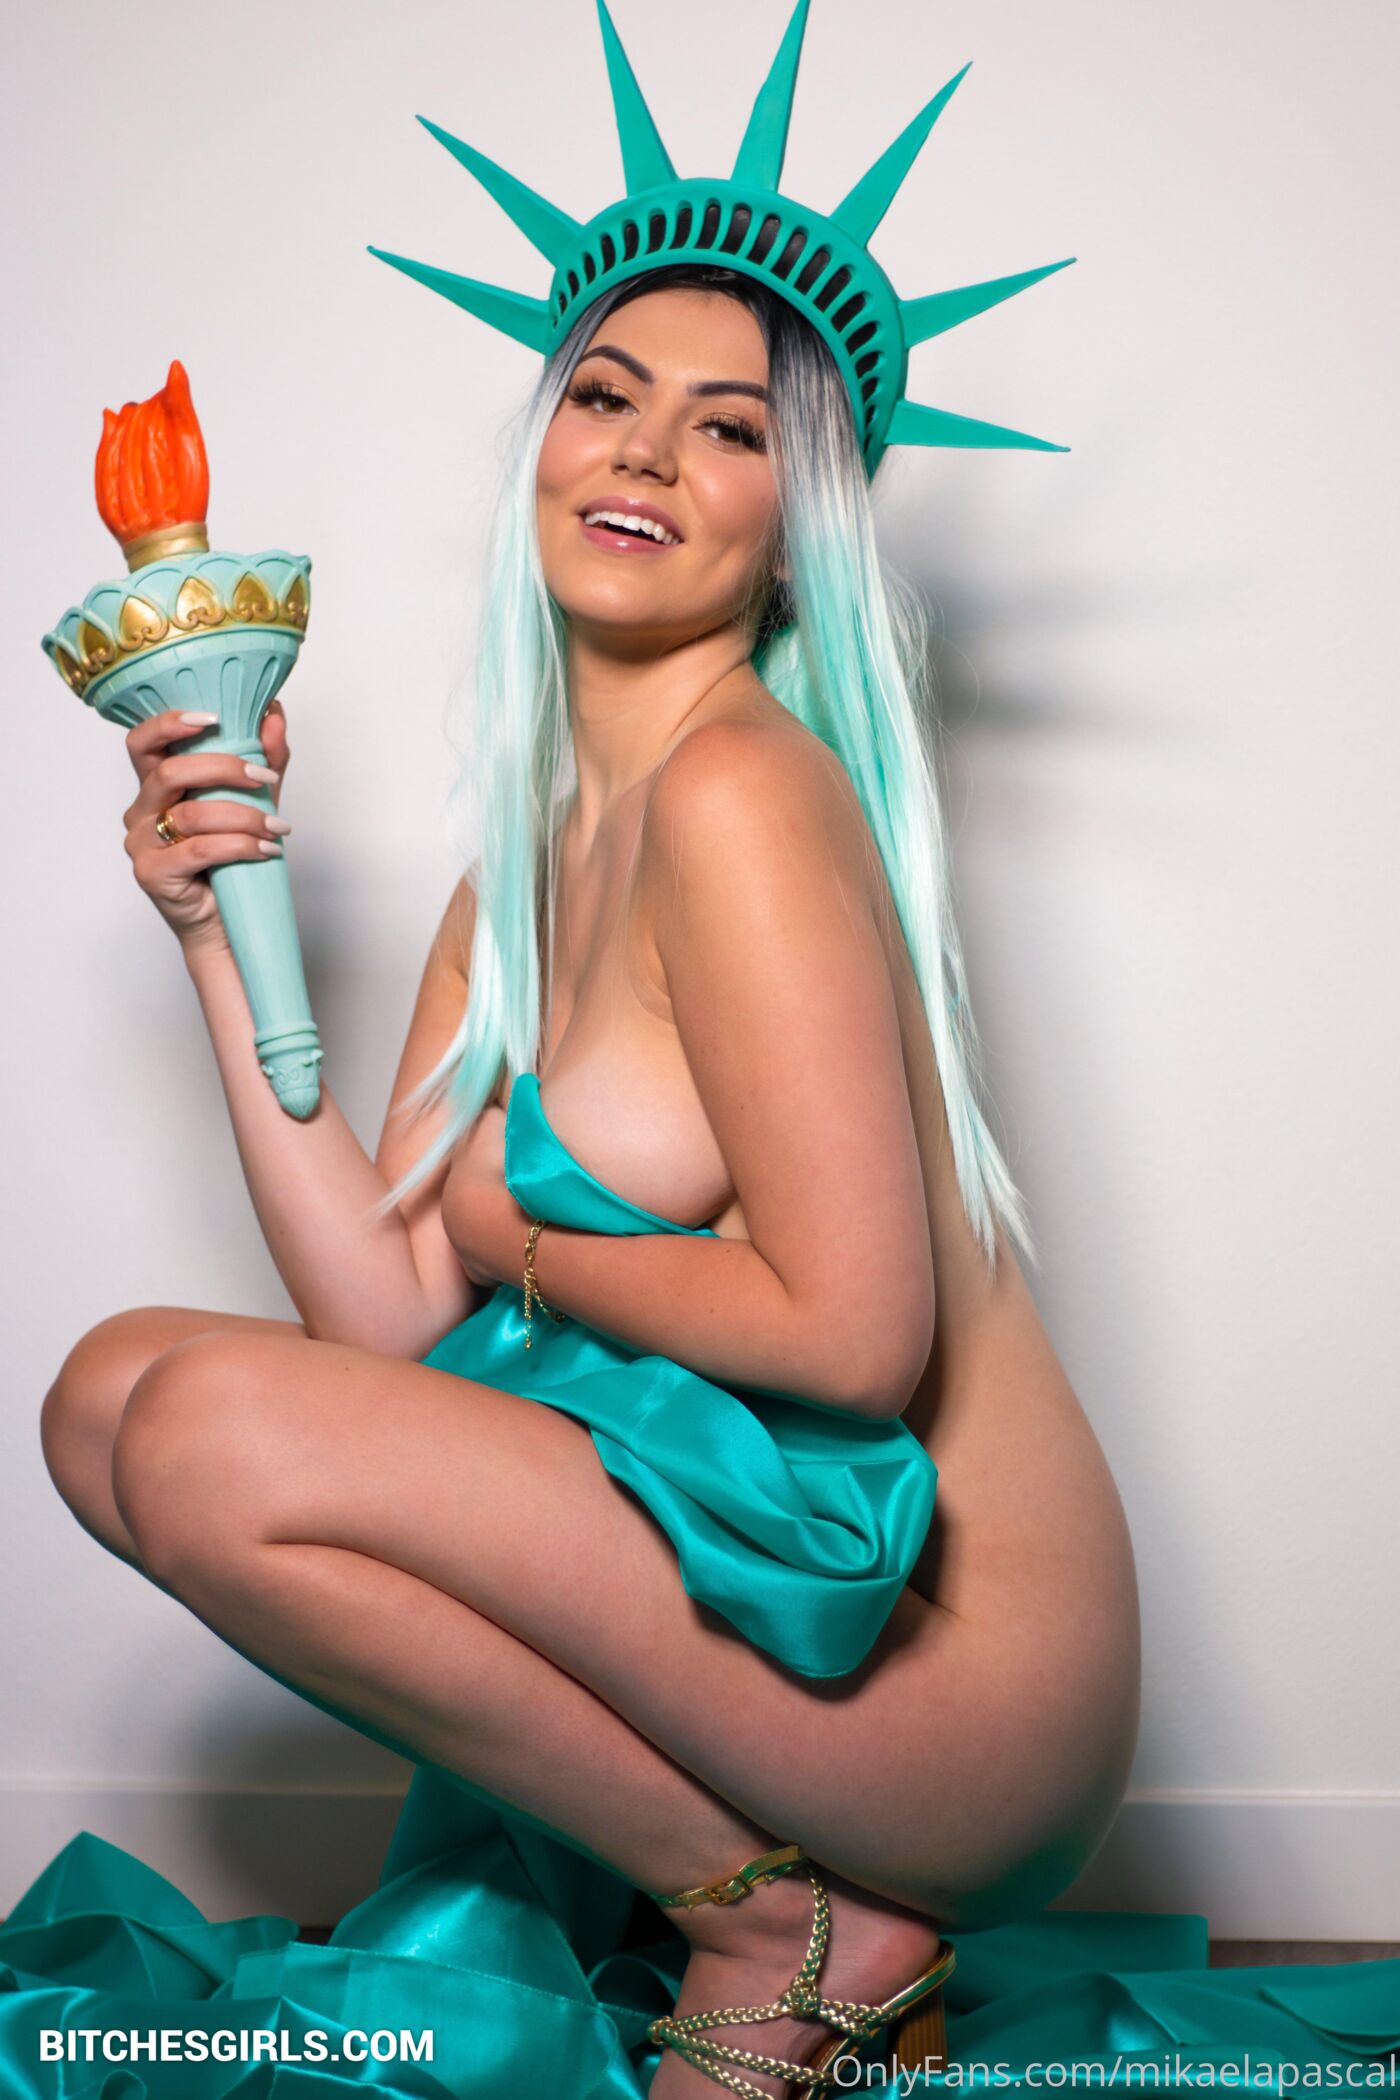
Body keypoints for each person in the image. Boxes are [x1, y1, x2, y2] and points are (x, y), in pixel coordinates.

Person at [37, 260, 1139, 2097]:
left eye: (729, 430)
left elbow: (854, 1338)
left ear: (794, 538)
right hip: (765, 1595)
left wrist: (519, 1234)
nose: (644, 453)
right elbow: (390, 1325)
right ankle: (774, 1902)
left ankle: (774, 1929)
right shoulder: (526, 863)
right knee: (110, 1399)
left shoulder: (745, 794)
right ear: (545, 444)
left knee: (204, 1427)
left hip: (954, 1678)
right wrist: (220, 925)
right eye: (608, 396)